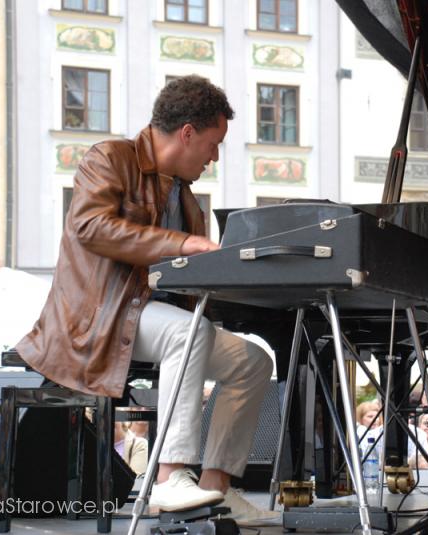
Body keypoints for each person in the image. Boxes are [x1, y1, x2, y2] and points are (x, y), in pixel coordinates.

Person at [15, 75, 276, 525]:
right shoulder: (110, 158)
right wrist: (184, 245)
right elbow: (90, 228)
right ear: (188, 133)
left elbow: (194, 280)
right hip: (98, 318)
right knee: (187, 332)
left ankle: (216, 488)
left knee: (253, 361)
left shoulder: (187, 200)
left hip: (153, 323)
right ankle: (170, 476)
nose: (214, 157)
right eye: (214, 144)